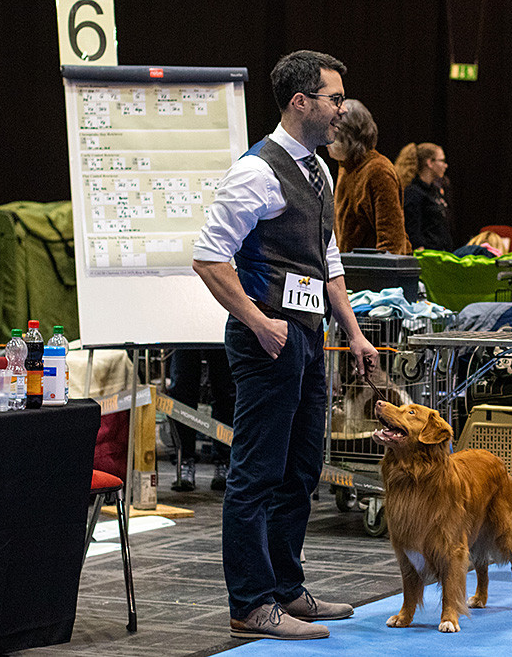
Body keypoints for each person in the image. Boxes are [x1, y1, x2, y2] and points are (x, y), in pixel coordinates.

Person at [192, 50, 379, 641]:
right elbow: (207, 256)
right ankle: (250, 603)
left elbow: (326, 260)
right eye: (333, 98)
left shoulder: (321, 171)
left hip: (308, 336)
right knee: (256, 474)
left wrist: (352, 333)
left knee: (301, 470)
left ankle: (285, 589)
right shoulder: (256, 171)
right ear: (301, 103)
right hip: (266, 339)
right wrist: (255, 319)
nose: (341, 109)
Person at [328, 99, 411, 254]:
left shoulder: (378, 171)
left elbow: (392, 242)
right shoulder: (346, 167)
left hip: (374, 274)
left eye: (332, 129)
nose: (326, 138)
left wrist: (379, 276)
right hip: (353, 270)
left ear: (348, 136)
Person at [167, 348, 234, 492]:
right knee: (181, 389)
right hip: (185, 330)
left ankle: (225, 462)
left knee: (226, 391)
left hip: (219, 331)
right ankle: (184, 461)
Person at [395, 142, 453, 251]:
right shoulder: (413, 193)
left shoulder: (435, 191)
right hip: (427, 258)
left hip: (441, 256)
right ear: (429, 162)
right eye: (442, 161)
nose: (446, 165)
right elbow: (412, 231)